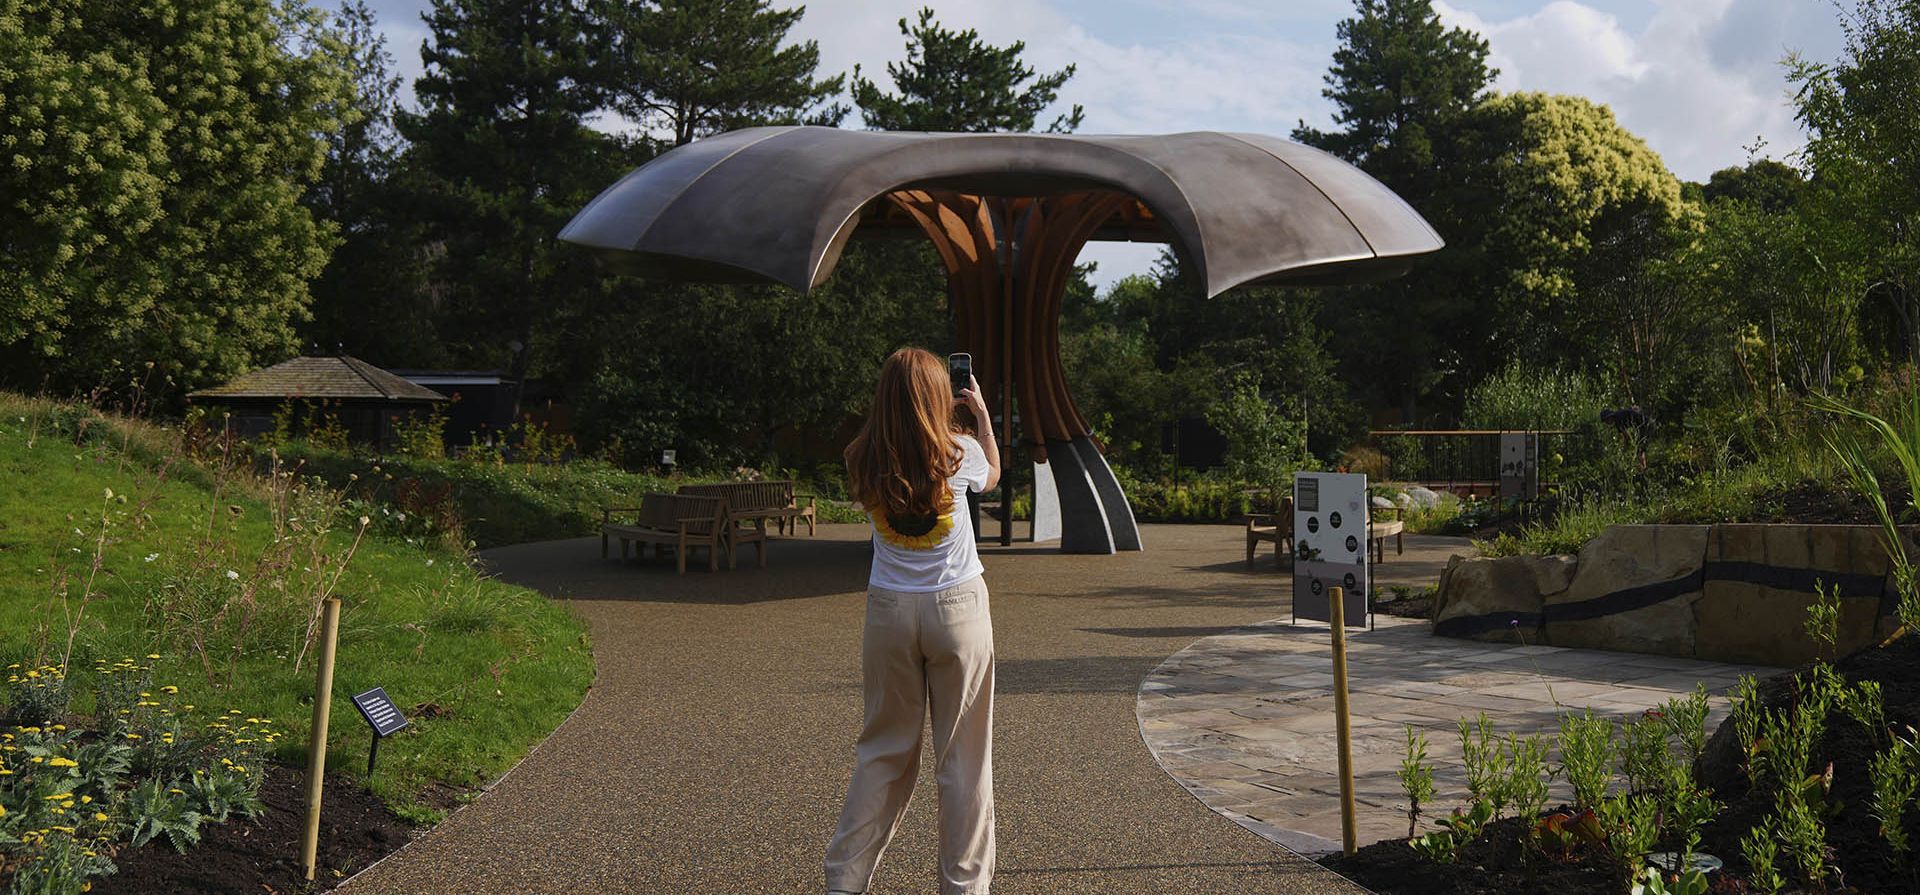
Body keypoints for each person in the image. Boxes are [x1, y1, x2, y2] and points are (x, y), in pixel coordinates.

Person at [825, 347, 1002, 895]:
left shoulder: (861, 457)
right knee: (964, 761)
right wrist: (984, 421)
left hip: (889, 614)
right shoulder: (960, 453)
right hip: (957, 610)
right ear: (937, 396)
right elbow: (992, 477)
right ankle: (963, 888)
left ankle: (845, 882)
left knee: (883, 752)